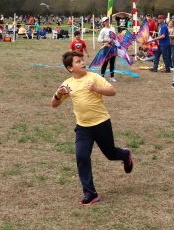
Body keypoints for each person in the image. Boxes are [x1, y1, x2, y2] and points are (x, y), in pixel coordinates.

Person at [50, 51, 133, 205]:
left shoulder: (93, 77)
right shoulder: (68, 84)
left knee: (110, 153)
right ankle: (90, 193)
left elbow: (112, 91)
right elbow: (54, 105)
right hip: (83, 127)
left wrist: (96, 88)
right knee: (81, 157)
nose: (82, 62)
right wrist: (58, 94)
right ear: (70, 68)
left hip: (101, 123)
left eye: (82, 60)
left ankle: (125, 154)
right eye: (78, 61)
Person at [98, 18, 117, 83]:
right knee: (105, 63)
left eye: (107, 20)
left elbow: (115, 37)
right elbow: (99, 39)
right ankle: (102, 77)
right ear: (103, 23)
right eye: (105, 21)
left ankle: (112, 77)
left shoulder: (113, 28)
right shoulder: (103, 30)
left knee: (112, 63)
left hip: (113, 47)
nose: (107, 22)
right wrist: (107, 40)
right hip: (106, 47)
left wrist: (115, 42)